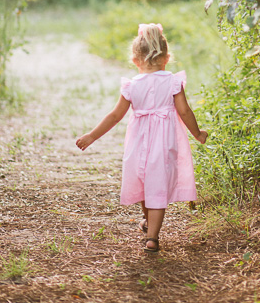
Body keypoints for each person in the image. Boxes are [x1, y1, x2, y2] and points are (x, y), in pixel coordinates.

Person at [76, 23, 208, 253]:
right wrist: (197, 133)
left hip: (138, 145)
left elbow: (115, 115)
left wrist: (92, 136)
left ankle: (149, 227)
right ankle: (152, 237)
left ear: (135, 61)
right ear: (166, 58)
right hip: (164, 144)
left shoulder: (131, 85)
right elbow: (185, 111)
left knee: (144, 184)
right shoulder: (173, 82)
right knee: (157, 187)